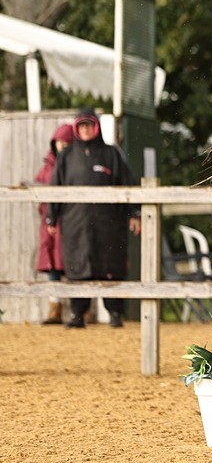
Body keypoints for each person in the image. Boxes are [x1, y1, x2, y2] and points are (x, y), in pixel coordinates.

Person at [45, 108, 141, 328]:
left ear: (96, 127)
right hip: (74, 224)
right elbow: (54, 188)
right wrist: (52, 217)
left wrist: (134, 213)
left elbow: (127, 184)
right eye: (81, 126)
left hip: (109, 224)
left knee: (110, 267)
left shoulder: (112, 154)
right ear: (76, 129)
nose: (86, 129)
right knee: (78, 267)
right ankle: (78, 314)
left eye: (89, 125)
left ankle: (115, 314)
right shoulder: (66, 157)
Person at [34, 124, 75, 324]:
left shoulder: (75, 165)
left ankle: (80, 309)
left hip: (70, 222)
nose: (62, 146)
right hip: (49, 224)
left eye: (66, 142)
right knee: (53, 266)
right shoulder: (47, 167)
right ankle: (54, 308)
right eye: (59, 142)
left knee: (74, 264)